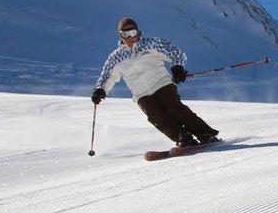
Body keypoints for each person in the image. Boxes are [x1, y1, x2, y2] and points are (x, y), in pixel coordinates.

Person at [91, 17, 219, 147]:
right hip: (141, 94)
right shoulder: (116, 57)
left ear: (138, 32)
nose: (130, 37)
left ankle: (205, 134)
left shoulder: (151, 44)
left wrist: (177, 67)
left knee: (174, 108)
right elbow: (107, 75)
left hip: (162, 84)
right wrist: (100, 89)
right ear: (121, 36)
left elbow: (174, 52)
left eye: (133, 33)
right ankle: (183, 137)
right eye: (125, 34)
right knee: (157, 117)